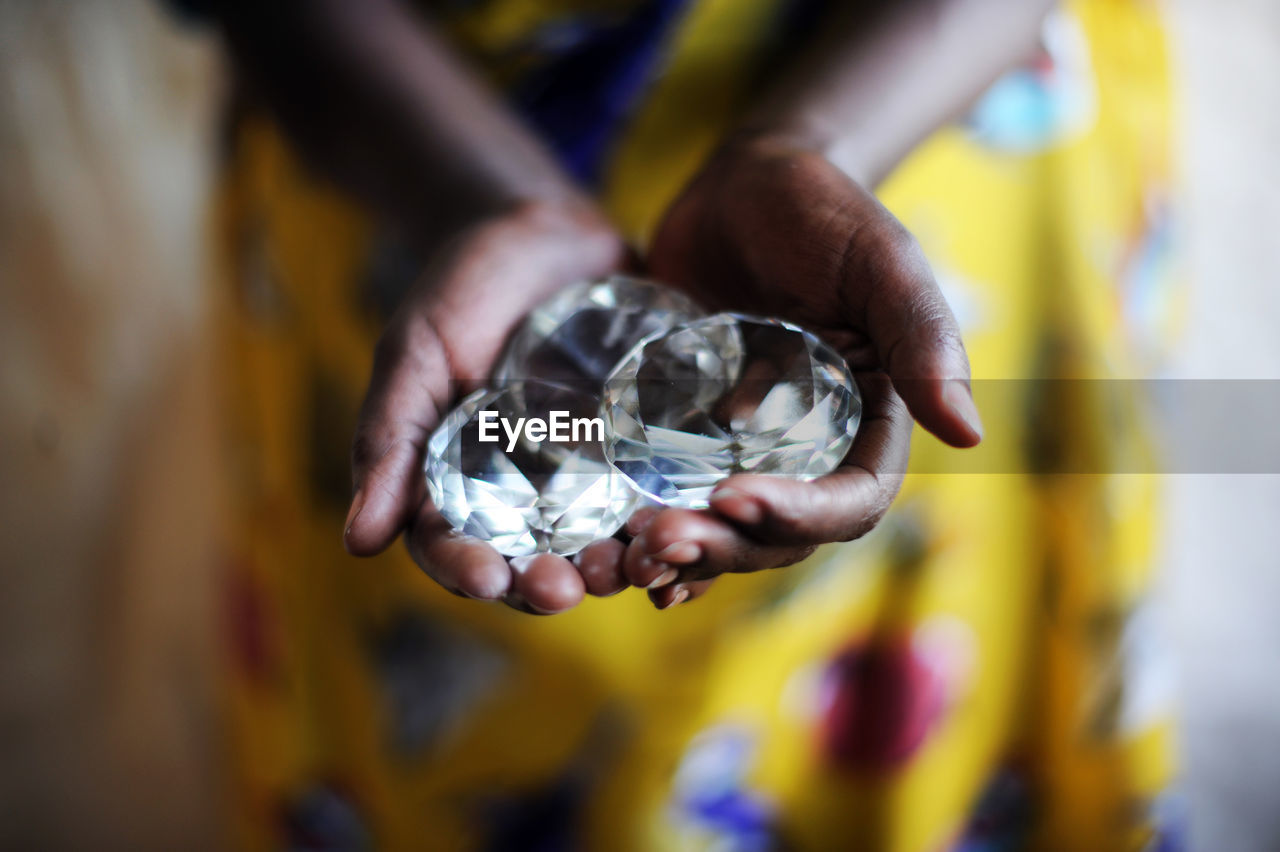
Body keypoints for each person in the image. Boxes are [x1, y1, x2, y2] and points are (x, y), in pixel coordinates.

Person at [204, 0, 1182, 848]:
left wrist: (810, 150)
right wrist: (481, 198)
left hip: (916, 124)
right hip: (398, 144)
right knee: (453, 738)